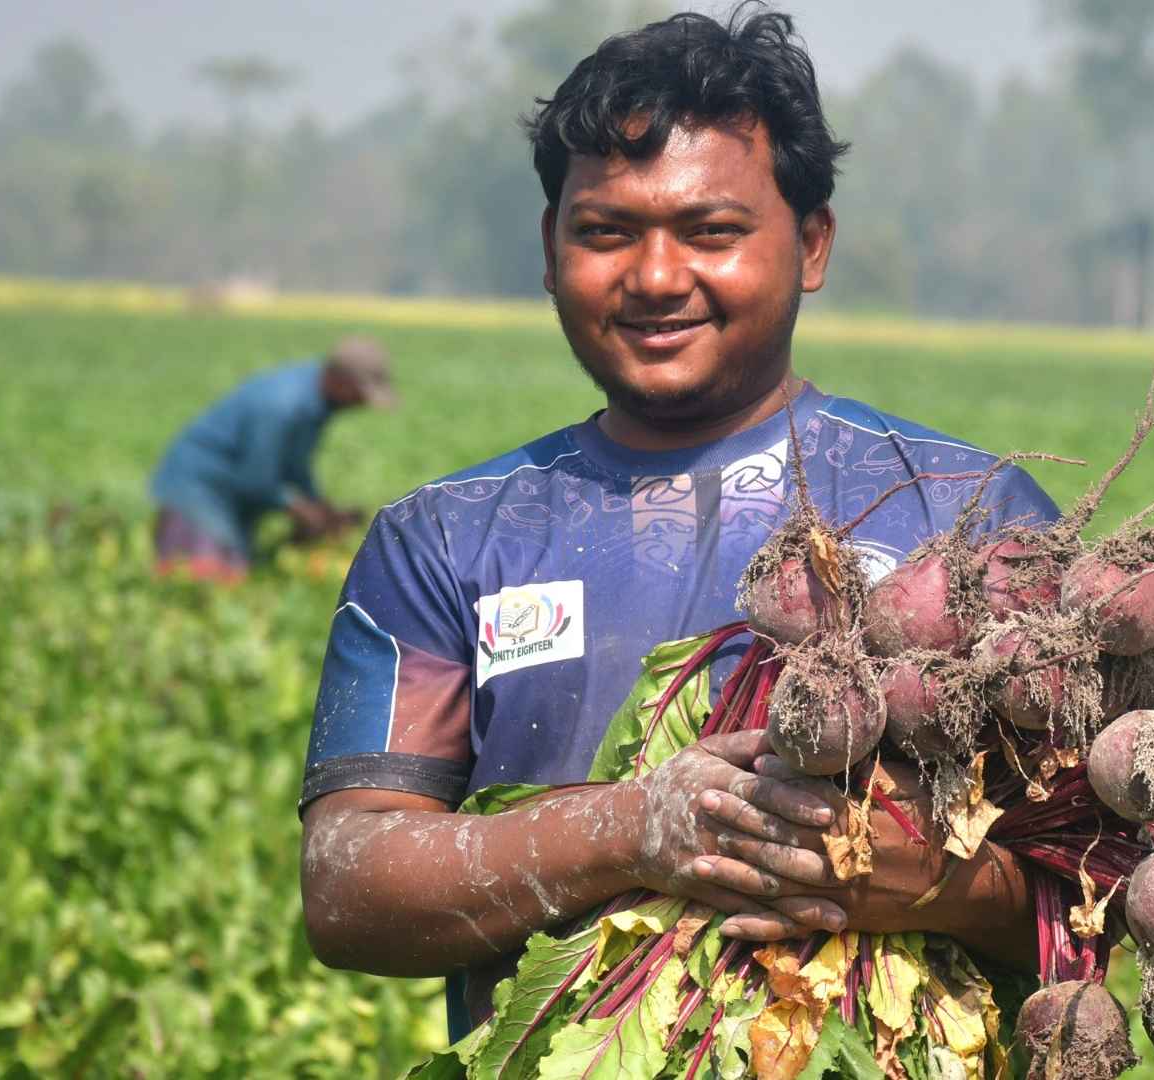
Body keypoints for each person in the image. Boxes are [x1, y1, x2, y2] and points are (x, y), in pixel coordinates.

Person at [296, 9, 1057, 1044]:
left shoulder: (973, 520)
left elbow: (1104, 896)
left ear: (814, 242)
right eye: (606, 232)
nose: (655, 278)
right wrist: (632, 829)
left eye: (711, 232)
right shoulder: (448, 539)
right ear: (550, 246)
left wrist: (938, 886)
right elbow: (349, 893)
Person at [149, 336, 397, 581]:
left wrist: (319, 506)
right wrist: (300, 509)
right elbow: (256, 478)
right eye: (359, 394)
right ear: (341, 381)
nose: (360, 404)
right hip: (198, 488)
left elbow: (295, 466)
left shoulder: (317, 400)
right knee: (206, 578)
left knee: (235, 573)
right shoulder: (281, 405)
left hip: (226, 491)